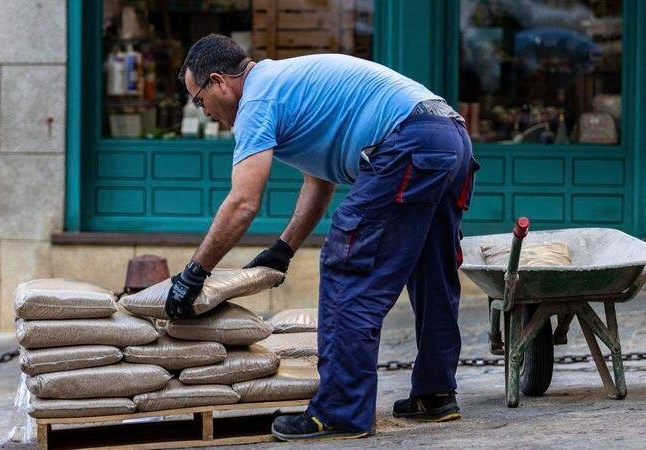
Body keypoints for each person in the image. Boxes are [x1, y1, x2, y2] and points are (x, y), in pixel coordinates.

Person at [168, 34, 479, 441]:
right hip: (448, 135)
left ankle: (341, 412)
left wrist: (195, 273)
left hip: (407, 141)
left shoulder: (257, 103)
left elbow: (244, 202)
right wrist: (283, 250)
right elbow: (320, 181)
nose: (205, 112)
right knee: (431, 270)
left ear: (219, 81)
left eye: (199, 99)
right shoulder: (288, 85)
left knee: (347, 269)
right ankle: (435, 394)